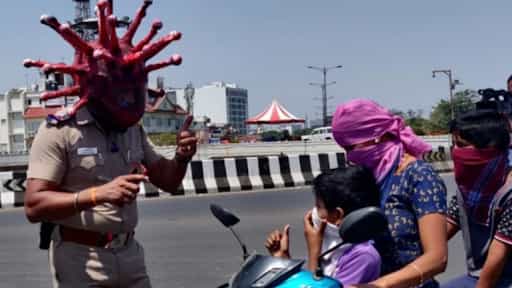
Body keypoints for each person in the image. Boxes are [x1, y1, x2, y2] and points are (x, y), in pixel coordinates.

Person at [22, 1, 196, 287]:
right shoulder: (60, 130)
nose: (130, 99)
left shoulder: (132, 130)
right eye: (122, 90)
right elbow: (34, 205)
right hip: (82, 259)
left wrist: (181, 156)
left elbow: (168, 181)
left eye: (135, 89)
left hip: (129, 253)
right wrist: (96, 195)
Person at [331, 99, 448, 288]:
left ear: (375, 136)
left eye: (351, 147)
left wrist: (379, 286)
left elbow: (437, 258)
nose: (348, 156)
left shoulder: (418, 176)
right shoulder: (367, 176)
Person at [265, 166, 382, 286]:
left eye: (318, 207)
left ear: (337, 215)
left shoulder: (362, 257)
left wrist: (314, 251)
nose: (312, 212)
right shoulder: (334, 249)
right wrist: (283, 258)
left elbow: (314, 285)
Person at [442, 110, 512, 287]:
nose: (455, 152)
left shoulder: (508, 193)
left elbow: (497, 259)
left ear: (489, 147)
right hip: (477, 277)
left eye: (461, 145)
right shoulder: (467, 189)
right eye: (454, 145)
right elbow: (443, 231)